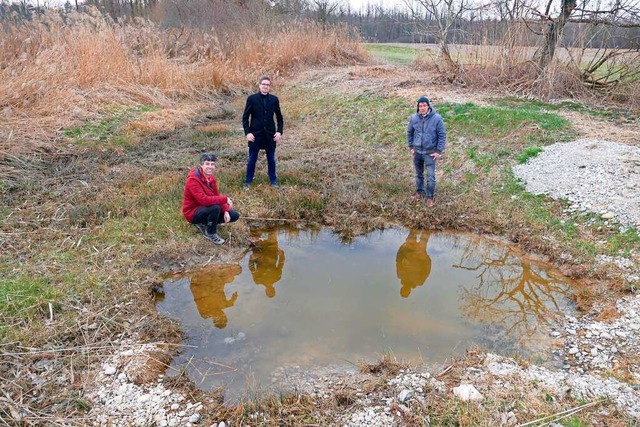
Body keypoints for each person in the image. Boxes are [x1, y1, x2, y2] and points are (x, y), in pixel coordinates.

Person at [182, 153, 240, 244]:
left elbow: (216, 195)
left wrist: (225, 210)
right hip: (192, 213)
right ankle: (210, 233)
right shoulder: (193, 180)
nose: (210, 167)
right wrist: (225, 199)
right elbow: (204, 200)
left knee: (234, 215)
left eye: (212, 164)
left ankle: (205, 223)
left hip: (205, 209)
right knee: (215, 207)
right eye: (207, 164)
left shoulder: (210, 177)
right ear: (201, 165)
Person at [242, 76, 284, 189]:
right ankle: (248, 182)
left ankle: (273, 181)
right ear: (259, 85)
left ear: (269, 87)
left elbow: (279, 118)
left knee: (271, 159)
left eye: (268, 85)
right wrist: (248, 133)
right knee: (252, 159)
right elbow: (245, 118)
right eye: (263, 84)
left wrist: (279, 132)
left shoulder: (274, 99)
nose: (265, 86)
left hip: (270, 135)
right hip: (255, 134)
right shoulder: (252, 99)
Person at [407, 96, 447, 206]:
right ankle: (420, 192)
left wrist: (438, 151)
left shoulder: (437, 118)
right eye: (420, 106)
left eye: (424, 105)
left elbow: (442, 135)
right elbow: (409, 133)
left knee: (430, 177)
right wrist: (411, 147)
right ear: (418, 107)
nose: (422, 107)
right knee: (419, 174)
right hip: (417, 152)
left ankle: (430, 197)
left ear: (428, 106)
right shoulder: (414, 118)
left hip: (430, 153)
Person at [396, 230, 432, 298]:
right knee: (426, 234)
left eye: (404, 290)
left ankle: (417, 222)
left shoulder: (400, 275)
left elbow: (398, 259)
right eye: (407, 291)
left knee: (413, 233)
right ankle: (429, 223)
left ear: (401, 288)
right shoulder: (419, 281)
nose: (406, 289)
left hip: (408, 250)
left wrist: (401, 248)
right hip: (420, 255)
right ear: (410, 291)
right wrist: (427, 258)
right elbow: (427, 270)